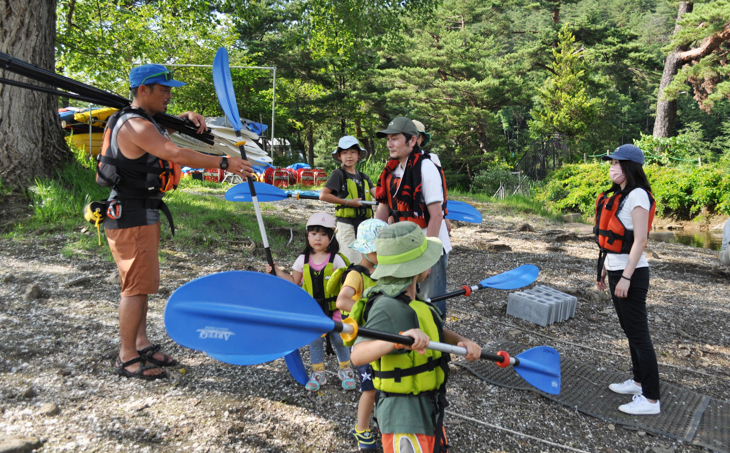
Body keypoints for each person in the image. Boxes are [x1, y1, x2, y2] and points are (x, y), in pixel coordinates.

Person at [104, 64, 253, 380]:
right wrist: (224, 162)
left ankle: (141, 343)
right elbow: (174, 153)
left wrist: (184, 117)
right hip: (130, 213)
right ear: (143, 90)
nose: (169, 96)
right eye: (164, 90)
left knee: (142, 284)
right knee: (134, 288)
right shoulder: (135, 125)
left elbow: (161, 136)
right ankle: (127, 356)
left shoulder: (143, 121)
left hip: (141, 211)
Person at [351, 222, 482, 453]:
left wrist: (463, 342)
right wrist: (397, 339)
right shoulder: (386, 306)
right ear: (415, 268)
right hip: (402, 416)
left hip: (430, 405)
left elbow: (436, 332)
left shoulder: (416, 300)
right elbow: (358, 355)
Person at [595, 144, 660, 415]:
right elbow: (615, 242)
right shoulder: (620, 194)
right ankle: (638, 381)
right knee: (629, 330)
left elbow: (640, 240)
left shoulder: (638, 196)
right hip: (616, 269)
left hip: (631, 274)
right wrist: (604, 268)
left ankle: (651, 399)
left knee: (639, 334)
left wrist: (626, 277)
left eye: (617, 163)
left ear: (630, 167)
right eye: (611, 162)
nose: (612, 167)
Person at [266, 212, 357, 391]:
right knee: (315, 341)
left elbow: (346, 283)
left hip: (334, 309)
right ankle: (318, 372)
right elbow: (294, 281)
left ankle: (346, 370)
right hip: (313, 309)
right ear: (307, 235)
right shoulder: (302, 260)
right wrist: (276, 271)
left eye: (323, 234)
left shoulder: (336, 259)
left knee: (339, 339)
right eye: (313, 234)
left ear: (331, 238)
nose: (318, 238)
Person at [374, 117, 451, 321]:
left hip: (429, 245)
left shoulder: (426, 167)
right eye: (388, 139)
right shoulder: (391, 170)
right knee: (405, 302)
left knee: (431, 306)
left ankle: (436, 338)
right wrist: (374, 244)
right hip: (404, 246)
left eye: (395, 139)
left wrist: (428, 258)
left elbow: (437, 215)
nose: (389, 144)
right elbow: (383, 209)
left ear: (413, 140)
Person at [333, 218, 389, 451]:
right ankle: (362, 427)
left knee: (387, 382)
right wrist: (368, 309)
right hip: (364, 340)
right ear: (366, 249)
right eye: (378, 250)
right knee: (370, 388)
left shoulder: (384, 271)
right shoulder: (356, 274)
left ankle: (384, 421)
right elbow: (342, 300)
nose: (383, 255)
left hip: (383, 337)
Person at [319, 136, 375, 264]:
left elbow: (378, 194)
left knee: (366, 262)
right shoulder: (338, 174)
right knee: (351, 262)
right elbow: (323, 195)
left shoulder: (364, 177)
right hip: (346, 226)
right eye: (344, 152)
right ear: (339, 156)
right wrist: (349, 203)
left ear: (358, 154)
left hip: (364, 228)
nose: (349, 156)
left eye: (353, 152)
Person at [413, 119, 452, 239]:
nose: (413, 139)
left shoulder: (431, 158)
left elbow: (440, 190)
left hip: (429, 215)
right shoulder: (397, 161)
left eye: (417, 135)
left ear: (422, 138)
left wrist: (444, 216)